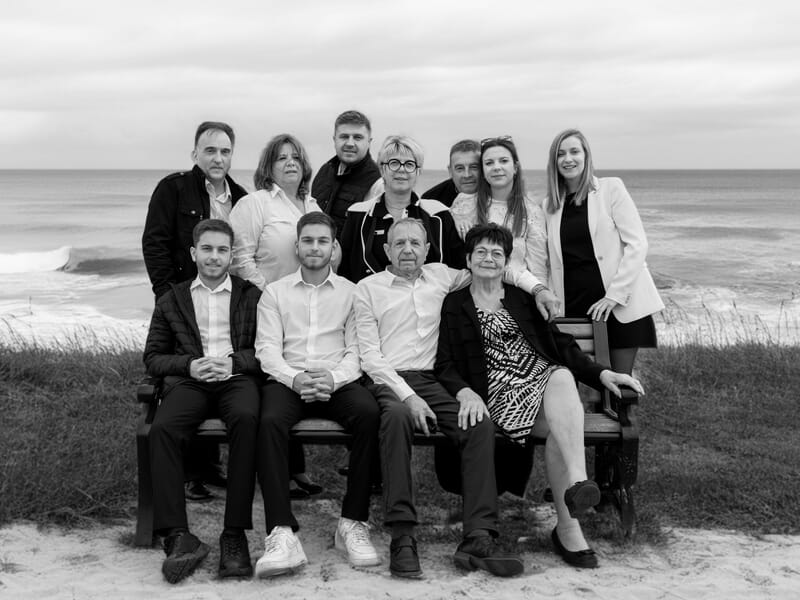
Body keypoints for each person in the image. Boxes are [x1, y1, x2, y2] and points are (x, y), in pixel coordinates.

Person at [353, 218, 556, 579]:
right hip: (388, 379)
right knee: (397, 418)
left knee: (479, 424)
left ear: (427, 250)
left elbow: (497, 268)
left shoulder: (443, 277)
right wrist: (409, 397)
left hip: (434, 380)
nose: (407, 250)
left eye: (415, 243)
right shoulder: (368, 289)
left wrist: (538, 288)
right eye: (399, 243)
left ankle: (478, 535)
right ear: (386, 250)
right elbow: (369, 355)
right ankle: (402, 535)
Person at [435, 223, 645, 569]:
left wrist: (602, 373)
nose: (489, 258)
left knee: (559, 374)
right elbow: (444, 363)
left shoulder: (521, 298)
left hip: (541, 382)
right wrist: (465, 391)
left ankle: (575, 492)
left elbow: (560, 344)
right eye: (481, 252)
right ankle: (569, 526)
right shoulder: (455, 304)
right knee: (563, 428)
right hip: (497, 393)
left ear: (506, 263)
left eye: (497, 253)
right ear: (468, 260)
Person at [253, 212, 381, 577]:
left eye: (322, 241)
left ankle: (352, 522)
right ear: (297, 246)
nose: (314, 247)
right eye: (307, 240)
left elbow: (357, 350)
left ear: (333, 247)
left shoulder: (352, 293)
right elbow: (267, 349)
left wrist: (333, 379)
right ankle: (281, 531)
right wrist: (294, 379)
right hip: (288, 380)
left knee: (369, 414)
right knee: (269, 421)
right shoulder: (274, 292)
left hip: (336, 379)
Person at [143, 219, 260, 583]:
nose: (214, 257)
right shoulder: (172, 298)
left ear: (231, 255)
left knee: (247, 419)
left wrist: (233, 363)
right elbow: (153, 357)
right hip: (190, 382)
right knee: (162, 429)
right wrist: (190, 365)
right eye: (207, 249)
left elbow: (267, 351)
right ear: (194, 253)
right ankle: (178, 535)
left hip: (236, 380)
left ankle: (234, 534)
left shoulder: (252, 295)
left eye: (222, 250)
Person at [142, 121, 247, 501]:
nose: (218, 158)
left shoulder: (242, 197)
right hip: (183, 302)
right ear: (195, 154)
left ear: (232, 155)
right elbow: (154, 243)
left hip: (225, 301)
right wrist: (167, 297)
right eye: (210, 150)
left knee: (218, 370)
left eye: (225, 151)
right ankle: (191, 473)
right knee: (190, 379)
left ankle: (210, 467)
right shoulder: (173, 189)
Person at [229, 133, 324, 498]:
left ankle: (296, 469)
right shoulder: (255, 204)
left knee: (295, 377)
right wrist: (270, 294)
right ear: (268, 167)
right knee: (272, 384)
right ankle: (275, 473)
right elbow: (240, 258)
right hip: (263, 307)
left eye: (295, 157)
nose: (289, 163)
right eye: (281, 158)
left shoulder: (311, 204)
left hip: (306, 309)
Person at [543, 129, 664, 374]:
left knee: (621, 383)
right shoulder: (549, 206)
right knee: (581, 380)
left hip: (617, 304)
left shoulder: (611, 189)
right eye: (561, 154)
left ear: (586, 156)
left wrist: (614, 296)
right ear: (554, 162)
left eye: (574, 151)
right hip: (574, 307)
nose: (568, 159)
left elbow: (637, 244)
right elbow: (549, 261)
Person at [340, 135, 465, 283]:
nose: (401, 169)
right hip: (371, 296)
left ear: (418, 171)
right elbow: (345, 270)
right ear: (382, 169)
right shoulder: (358, 214)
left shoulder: (438, 214)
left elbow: (456, 267)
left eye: (409, 164)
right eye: (394, 163)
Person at [449, 136, 549, 283]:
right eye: (489, 163)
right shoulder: (464, 204)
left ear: (515, 167)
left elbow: (538, 269)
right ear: (483, 171)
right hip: (474, 289)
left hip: (519, 290)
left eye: (503, 161)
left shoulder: (531, 212)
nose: (496, 167)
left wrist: (541, 291)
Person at [311, 110, 384, 238]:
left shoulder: (378, 183)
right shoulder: (325, 171)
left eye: (358, 137)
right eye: (344, 137)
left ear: (369, 142)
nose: (350, 143)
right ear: (334, 139)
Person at [421, 139, 481, 206]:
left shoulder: (491, 193)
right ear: (450, 171)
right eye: (460, 168)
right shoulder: (431, 200)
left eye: (474, 167)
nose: (467, 175)